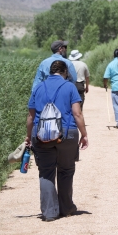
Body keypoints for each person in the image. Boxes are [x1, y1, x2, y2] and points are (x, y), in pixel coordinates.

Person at [25, 60, 89, 222]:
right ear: (65, 72)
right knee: (66, 170)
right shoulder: (69, 87)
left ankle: (49, 212)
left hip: (41, 136)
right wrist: (84, 134)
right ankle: (66, 207)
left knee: (46, 173)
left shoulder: (38, 87)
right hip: (66, 134)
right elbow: (77, 113)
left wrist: (28, 136)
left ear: (49, 72)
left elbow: (31, 117)